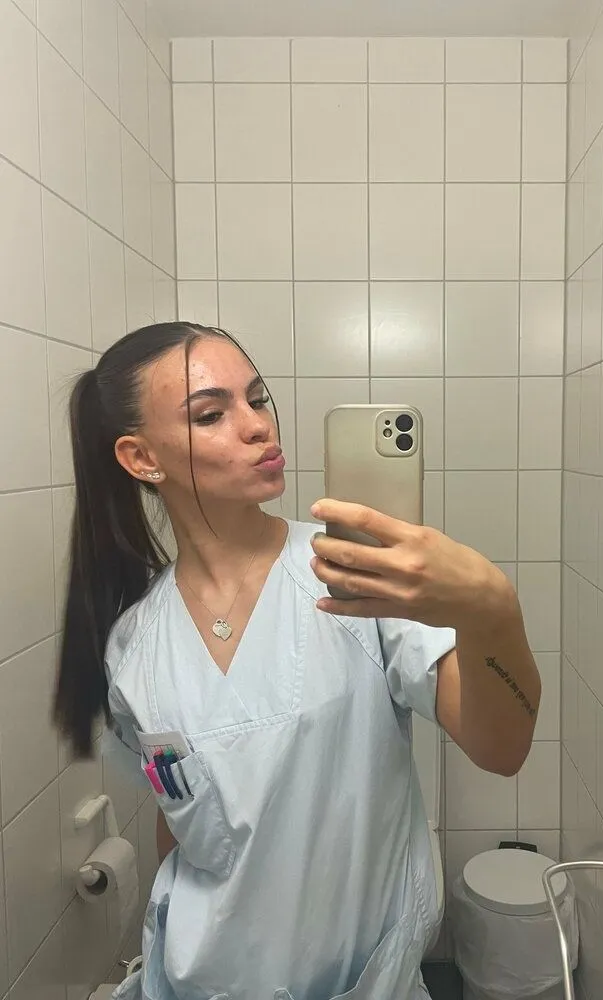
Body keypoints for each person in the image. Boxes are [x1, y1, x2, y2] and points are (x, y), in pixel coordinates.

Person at [53, 322, 542, 1000]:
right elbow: (184, 822)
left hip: (364, 984)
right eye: (212, 414)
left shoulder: (353, 577)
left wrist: (492, 607)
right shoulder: (135, 643)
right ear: (141, 458)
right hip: (198, 982)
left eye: (258, 399)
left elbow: (503, 748)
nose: (258, 425)